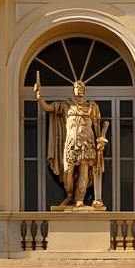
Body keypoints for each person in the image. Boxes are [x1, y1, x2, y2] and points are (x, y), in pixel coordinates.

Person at [35, 75, 109, 209]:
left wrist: (100, 139)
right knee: (68, 171)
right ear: (73, 89)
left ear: (84, 90)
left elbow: (97, 125)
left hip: (87, 143)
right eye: (77, 87)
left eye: (81, 87)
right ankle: (69, 194)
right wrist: (39, 96)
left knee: (84, 172)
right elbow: (46, 107)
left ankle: (79, 199)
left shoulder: (92, 106)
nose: (79, 89)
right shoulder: (66, 105)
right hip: (71, 144)